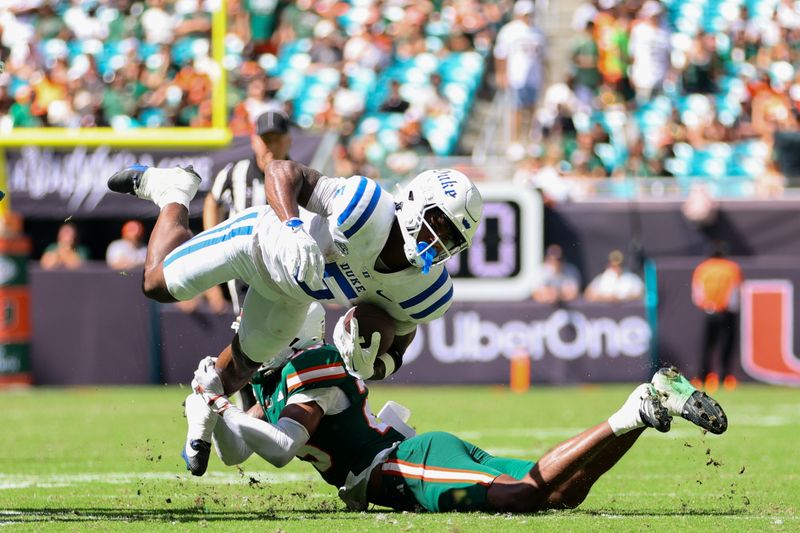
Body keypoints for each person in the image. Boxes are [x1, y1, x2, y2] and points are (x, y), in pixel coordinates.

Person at [106, 161, 483, 477]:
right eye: (439, 222)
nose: (439, 240)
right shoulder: (365, 208)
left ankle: (202, 406)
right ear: (416, 200)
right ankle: (174, 190)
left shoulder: (427, 290)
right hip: (257, 243)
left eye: (452, 238)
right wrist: (292, 225)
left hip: (293, 296)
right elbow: (283, 171)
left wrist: (375, 364)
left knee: (236, 373)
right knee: (157, 284)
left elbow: (400, 341)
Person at [191, 325, 728, 513]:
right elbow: (239, 451)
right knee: (563, 495)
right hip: (412, 459)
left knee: (524, 494)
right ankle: (642, 411)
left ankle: (634, 406)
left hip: (400, 467)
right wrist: (213, 412)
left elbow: (281, 450)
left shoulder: (308, 370)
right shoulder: (269, 383)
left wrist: (214, 405)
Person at [494, 0, 547, 160]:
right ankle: (514, 141)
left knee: (531, 108)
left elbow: (544, 56)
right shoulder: (509, 31)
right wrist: (501, 74)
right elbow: (501, 54)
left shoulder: (537, 32)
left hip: (533, 76)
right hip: (516, 76)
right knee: (516, 108)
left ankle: (529, 139)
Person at [691, 242, 744, 391]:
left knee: (707, 346)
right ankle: (725, 377)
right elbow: (736, 290)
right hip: (726, 312)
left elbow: (697, 292)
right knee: (727, 345)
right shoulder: (731, 267)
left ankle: (703, 377)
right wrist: (729, 307)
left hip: (709, 311)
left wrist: (707, 305)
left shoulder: (703, 268)